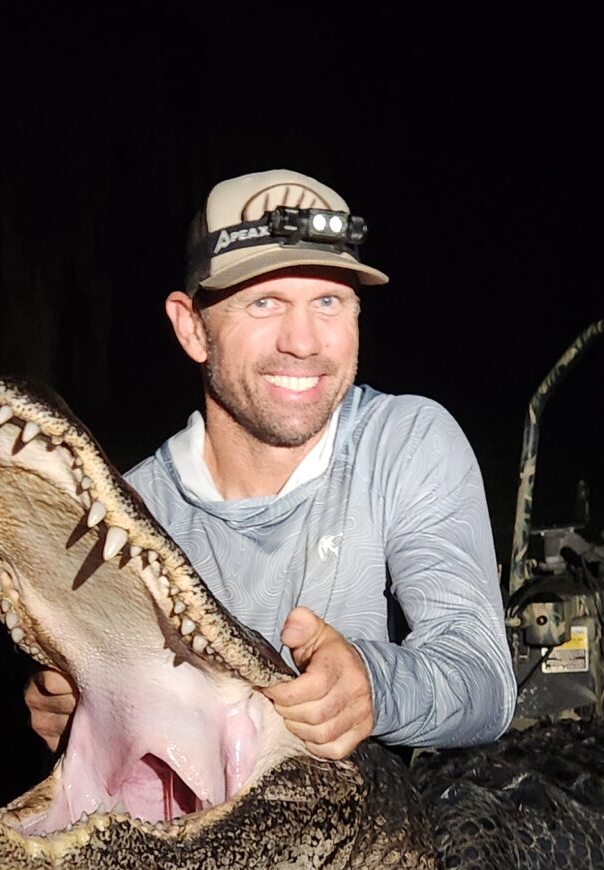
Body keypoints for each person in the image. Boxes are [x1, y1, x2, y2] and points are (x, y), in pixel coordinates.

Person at [26, 169, 516, 760]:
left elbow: (482, 677)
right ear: (192, 328)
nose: (303, 342)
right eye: (264, 303)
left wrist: (373, 686)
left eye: (329, 302)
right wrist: (80, 710)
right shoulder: (127, 520)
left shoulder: (403, 443)